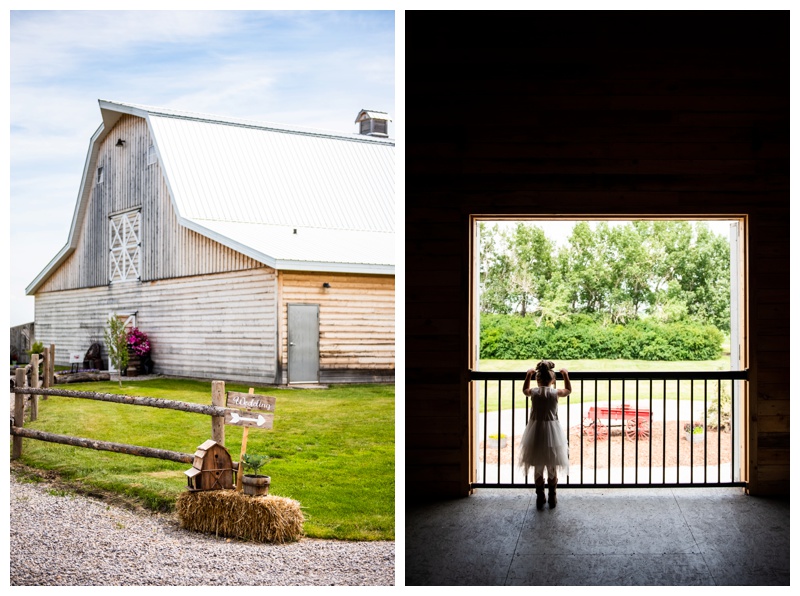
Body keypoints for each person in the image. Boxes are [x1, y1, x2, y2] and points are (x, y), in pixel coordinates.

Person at [519, 360, 571, 509]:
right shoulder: (555, 393)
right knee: (552, 462)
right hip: (552, 431)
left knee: (538, 463)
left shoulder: (534, 393)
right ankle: (553, 496)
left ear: (537, 379)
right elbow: (568, 390)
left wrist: (527, 375)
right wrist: (566, 375)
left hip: (535, 431)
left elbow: (525, 390)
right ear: (553, 380)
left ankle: (540, 496)